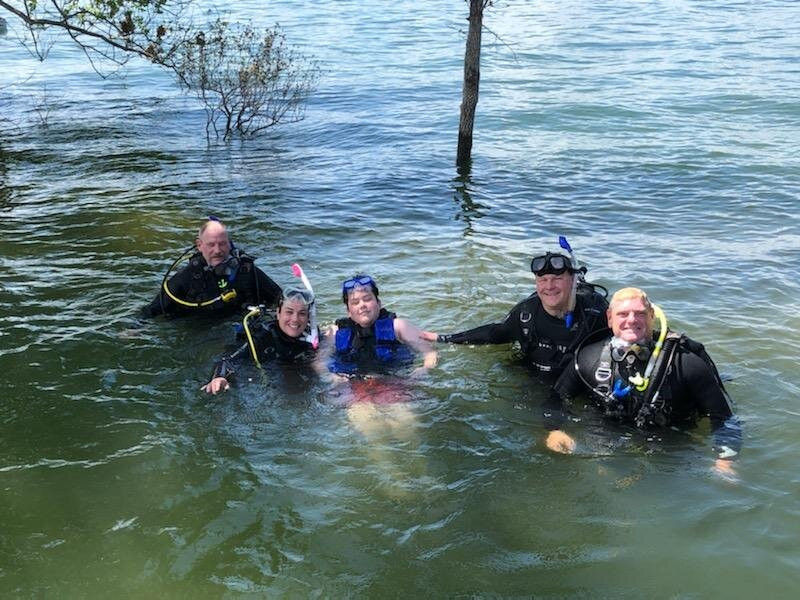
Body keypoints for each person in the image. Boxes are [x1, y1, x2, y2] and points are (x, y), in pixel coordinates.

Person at [548, 287, 742, 475]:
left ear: (652, 316)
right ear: (609, 318)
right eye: (623, 314)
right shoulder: (588, 358)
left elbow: (724, 418)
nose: (631, 320)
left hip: (671, 451)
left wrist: (725, 459)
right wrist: (554, 429)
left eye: (639, 313)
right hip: (608, 440)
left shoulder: (686, 364)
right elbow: (556, 398)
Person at [420, 250, 609, 380]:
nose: (549, 286)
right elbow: (494, 333)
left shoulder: (594, 312)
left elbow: (624, 336)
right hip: (533, 375)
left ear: (573, 280)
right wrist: (443, 338)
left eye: (558, 279)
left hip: (577, 380)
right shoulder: (526, 312)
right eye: (543, 280)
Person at [147, 218, 282, 318]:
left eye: (222, 244)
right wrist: (134, 330)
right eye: (211, 244)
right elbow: (152, 310)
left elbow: (279, 298)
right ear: (199, 245)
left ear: (230, 244)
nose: (217, 250)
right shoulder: (187, 277)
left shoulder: (246, 271)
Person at [202, 287, 319, 394]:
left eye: (302, 314)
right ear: (278, 313)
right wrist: (219, 376)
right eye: (289, 312)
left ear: (309, 317)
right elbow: (227, 359)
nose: (295, 319)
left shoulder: (312, 334)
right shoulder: (262, 337)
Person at [328, 274, 437, 376]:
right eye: (355, 302)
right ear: (348, 311)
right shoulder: (335, 333)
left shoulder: (398, 327)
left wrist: (423, 370)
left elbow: (430, 352)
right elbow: (319, 363)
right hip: (354, 384)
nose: (362, 305)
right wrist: (332, 377)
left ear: (379, 303)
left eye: (367, 299)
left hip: (394, 381)